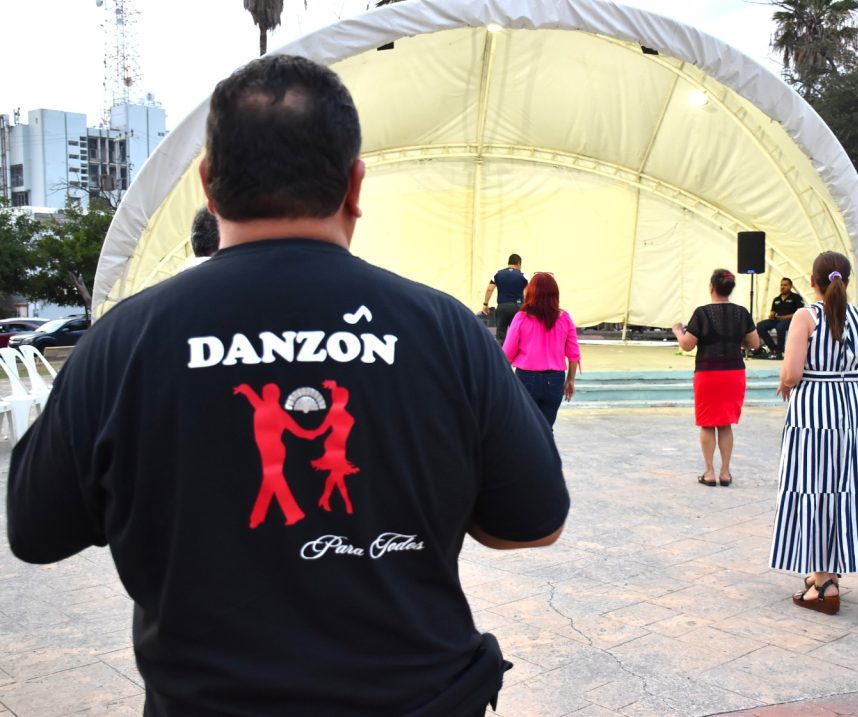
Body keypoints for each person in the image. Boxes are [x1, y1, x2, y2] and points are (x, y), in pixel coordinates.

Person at [7, 54, 570, 717]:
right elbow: (533, 523)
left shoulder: (124, 341)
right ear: (355, 184)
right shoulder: (445, 331)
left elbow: (38, 530)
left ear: (208, 184)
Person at [769, 251, 858, 615]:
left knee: (814, 488)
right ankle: (830, 572)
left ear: (813, 281)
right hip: (855, 414)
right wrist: (852, 383)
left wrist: (786, 382)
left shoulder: (805, 317)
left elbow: (793, 373)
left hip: (813, 414)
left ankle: (824, 584)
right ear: (847, 281)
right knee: (847, 489)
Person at [672, 268, 759, 487]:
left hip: (708, 373)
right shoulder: (741, 312)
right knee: (726, 424)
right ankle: (725, 472)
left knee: (708, 423)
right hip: (734, 373)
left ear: (711, 287)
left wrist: (678, 331)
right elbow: (755, 343)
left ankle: (709, 472)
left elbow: (687, 345)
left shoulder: (702, 313)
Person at [502, 272, 581, 427]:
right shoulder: (565, 318)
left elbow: (507, 353)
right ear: (555, 294)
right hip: (555, 379)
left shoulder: (521, 317)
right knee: (546, 429)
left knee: (525, 428)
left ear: (531, 292)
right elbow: (574, 354)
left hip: (526, 378)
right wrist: (570, 380)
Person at [755, 277, 804, 359]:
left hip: (791, 320)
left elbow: (799, 312)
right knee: (760, 325)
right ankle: (773, 348)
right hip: (778, 320)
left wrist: (785, 317)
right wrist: (771, 315)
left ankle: (780, 350)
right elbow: (773, 312)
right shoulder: (776, 299)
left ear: (790, 286)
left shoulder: (796, 297)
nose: (782, 287)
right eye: (781, 285)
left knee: (780, 327)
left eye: (785, 285)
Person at [483, 254, 528, 342]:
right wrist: (526, 306)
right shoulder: (523, 276)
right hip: (517, 307)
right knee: (517, 335)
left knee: (500, 335)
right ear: (518, 264)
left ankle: (500, 350)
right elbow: (528, 293)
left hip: (502, 307)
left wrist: (485, 303)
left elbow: (489, 289)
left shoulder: (498, 274)